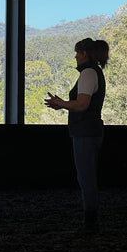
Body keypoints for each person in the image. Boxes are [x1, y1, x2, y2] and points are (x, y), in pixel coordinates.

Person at [44, 38, 109, 233]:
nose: (75, 56)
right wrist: (63, 104)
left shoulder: (88, 74)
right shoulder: (92, 73)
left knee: (86, 178)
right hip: (89, 131)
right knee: (87, 176)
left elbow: (82, 104)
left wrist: (62, 103)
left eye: (77, 53)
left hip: (86, 132)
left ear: (85, 54)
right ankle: (91, 220)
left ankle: (91, 223)